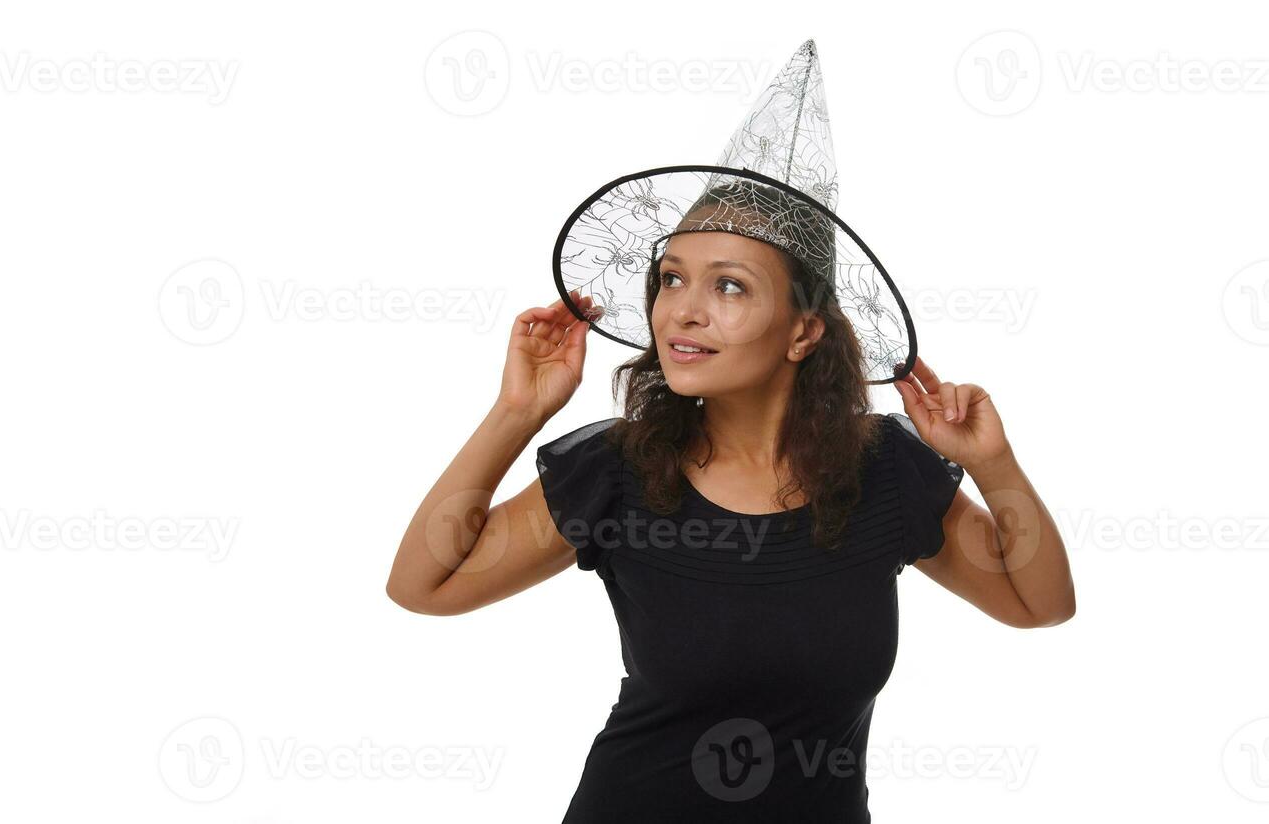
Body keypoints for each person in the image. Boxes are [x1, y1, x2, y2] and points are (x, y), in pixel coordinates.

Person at [386, 42, 1075, 821]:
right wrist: (518, 412)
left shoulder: (883, 471)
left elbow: (1040, 604)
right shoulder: (620, 470)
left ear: (803, 332)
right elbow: (421, 586)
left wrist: (995, 464)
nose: (681, 309)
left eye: (730, 287)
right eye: (671, 277)